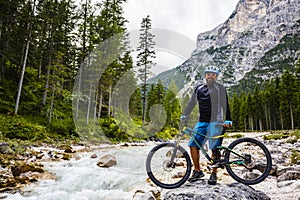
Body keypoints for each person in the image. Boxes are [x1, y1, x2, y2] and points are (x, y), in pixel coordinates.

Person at [180, 66, 232, 185]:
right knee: (193, 144)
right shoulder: (199, 89)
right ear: (205, 75)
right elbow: (192, 103)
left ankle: (214, 174)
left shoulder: (220, 88)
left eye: (213, 74)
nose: (210, 76)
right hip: (202, 121)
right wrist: (185, 115)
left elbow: (225, 104)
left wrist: (228, 118)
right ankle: (197, 171)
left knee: (214, 148)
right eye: (208, 74)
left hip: (216, 122)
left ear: (216, 76)